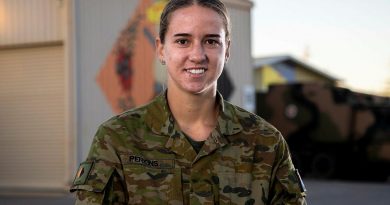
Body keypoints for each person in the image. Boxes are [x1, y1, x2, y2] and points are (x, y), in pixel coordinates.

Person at [70, 0, 307, 204]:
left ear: (227, 50)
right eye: (183, 41)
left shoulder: (266, 143)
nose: (197, 55)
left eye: (211, 41)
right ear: (161, 49)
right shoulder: (117, 139)